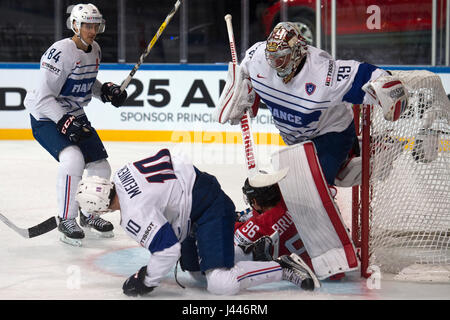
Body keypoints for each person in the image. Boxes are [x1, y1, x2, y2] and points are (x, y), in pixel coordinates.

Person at [214, 22, 408, 280]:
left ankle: (334, 258)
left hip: (332, 134)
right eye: (272, 58)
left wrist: (385, 84)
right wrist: (246, 93)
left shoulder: (322, 72)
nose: (275, 65)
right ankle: (375, 152)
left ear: (297, 53)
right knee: (333, 177)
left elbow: (367, 74)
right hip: (295, 139)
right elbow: (245, 75)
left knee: (311, 190)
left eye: (282, 58)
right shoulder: (258, 56)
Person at [75, 148, 320, 296]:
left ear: (102, 208)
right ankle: (249, 257)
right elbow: (171, 160)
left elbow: (168, 251)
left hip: (206, 207)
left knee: (220, 284)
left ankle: (283, 267)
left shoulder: (132, 213)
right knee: (196, 273)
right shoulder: (122, 173)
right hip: (197, 195)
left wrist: (145, 279)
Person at [23, 4, 128, 246]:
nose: (92, 30)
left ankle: (89, 213)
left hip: (73, 113)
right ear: (75, 25)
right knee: (72, 159)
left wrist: (106, 91)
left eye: (95, 26)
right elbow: (42, 96)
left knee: (101, 166)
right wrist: (63, 120)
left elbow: (86, 80)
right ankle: (66, 218)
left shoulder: (95, 49)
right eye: (87, 26)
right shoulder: (59, 52)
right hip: (45, 115)